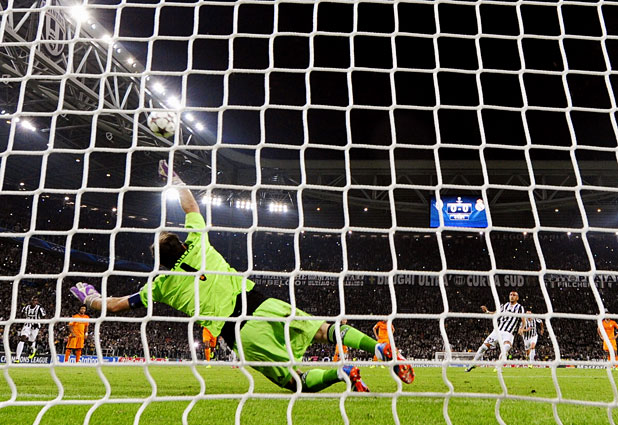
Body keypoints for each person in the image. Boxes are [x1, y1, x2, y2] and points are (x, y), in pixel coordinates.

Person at [70, 160, 414, 392]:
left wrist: (92, 298)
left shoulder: (160, 286)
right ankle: (379, 348)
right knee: (324, 330)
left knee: (294, 382)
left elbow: (117, 305)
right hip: (263, 304)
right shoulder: (198, 242)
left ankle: (341, 372)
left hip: (240, 333)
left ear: (160, 261)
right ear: (181, 243)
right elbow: (191, 206)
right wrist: (175, 180)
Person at [466, 291, 524, 372]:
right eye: (510, 295)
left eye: (514, 295)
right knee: (483, 347)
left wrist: (522, 328)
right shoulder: (504, 306)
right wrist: (487, 312)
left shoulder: (520, 307)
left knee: (506, 347)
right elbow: (495, 313)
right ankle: (473, 364)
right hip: (497, 331)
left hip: (508, 333)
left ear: (517, 298)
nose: (512, 296)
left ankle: (498, 366)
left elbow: (523, 319)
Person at [15, 296, 46, 362]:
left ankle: (33, 348)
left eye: (36, 301)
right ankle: (17, 358)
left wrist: (41, 325)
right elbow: (21, 315)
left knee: (30, 342)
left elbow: (44, 316)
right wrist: (20, 324)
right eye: (33, 300)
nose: (34, 302)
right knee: (22, 339)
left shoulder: (39, 308)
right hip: (27, 325)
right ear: (31, 301)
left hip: (35, 326)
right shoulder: (26, 308)